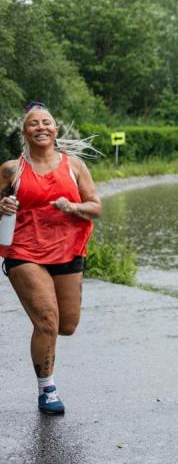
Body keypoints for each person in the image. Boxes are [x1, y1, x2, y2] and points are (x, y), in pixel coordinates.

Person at [0, 101, 102, 415]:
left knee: (66, 325)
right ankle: (47, 390)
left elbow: (95, 206)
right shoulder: (11, 169)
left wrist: (73, 208)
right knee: (47, 321)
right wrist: (1, 206)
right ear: (25, 132)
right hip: (24, 251)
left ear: (55, 130)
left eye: (47, 122)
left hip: (68, 250)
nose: (41, 127)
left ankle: (42, 332)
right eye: (34, 123)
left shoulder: (74, 166)